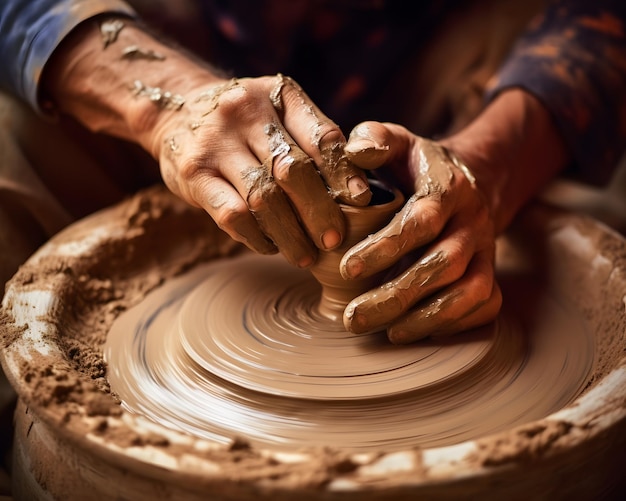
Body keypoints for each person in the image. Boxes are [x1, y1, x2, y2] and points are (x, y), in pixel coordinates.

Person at [0, 0, 625, 345]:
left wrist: (488, 164)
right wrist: (165, 101)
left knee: (595, 218)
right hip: (168, 32)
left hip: (425, 37)